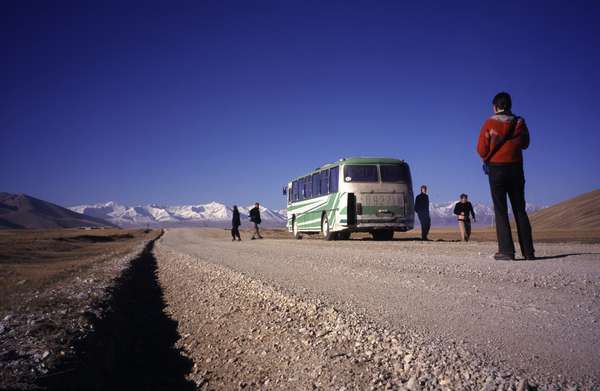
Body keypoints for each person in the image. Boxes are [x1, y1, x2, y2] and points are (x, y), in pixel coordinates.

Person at [477, 92, 535, 261]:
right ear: (509, 105)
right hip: (516, 169)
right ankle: (529, 252)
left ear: (495, 107)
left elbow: (481, 149)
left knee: (501, 210)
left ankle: (506, 251)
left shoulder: (489, 123)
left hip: (497, 170)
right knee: (520, 210)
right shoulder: (519, 122)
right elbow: (525, 144)